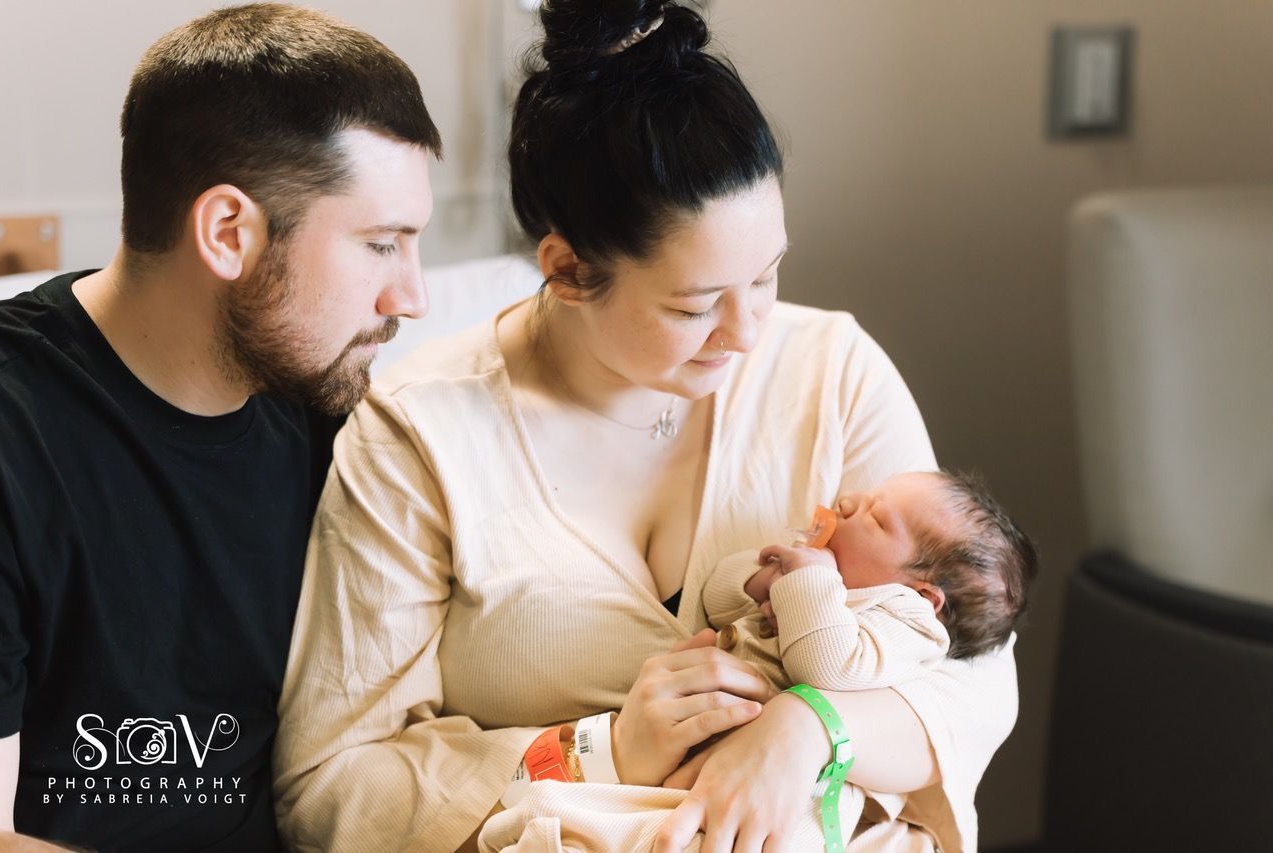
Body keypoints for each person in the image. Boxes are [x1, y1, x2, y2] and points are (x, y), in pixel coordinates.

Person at [274, 2, 1018, 852]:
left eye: (768, 276)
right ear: (568, 269)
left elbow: (975, 674)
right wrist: (599, 749)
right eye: (697, 306)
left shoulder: (834, 373)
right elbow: (329, 785)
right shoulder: (421, 435)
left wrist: (810, 728)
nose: (746, 333)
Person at [0, 5, 440, 850]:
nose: (411, 298)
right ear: (229, 231)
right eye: (383, 245)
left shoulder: (325, 402)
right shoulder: (11, 436)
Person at [704, 469, 1039, 692]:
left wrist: (810, 581)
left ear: (921, 597)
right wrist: (768, 579)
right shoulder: (811, 575)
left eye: (876, 518)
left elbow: (824, 667)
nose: (847, 500)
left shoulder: (910, 627)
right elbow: (714, 601)